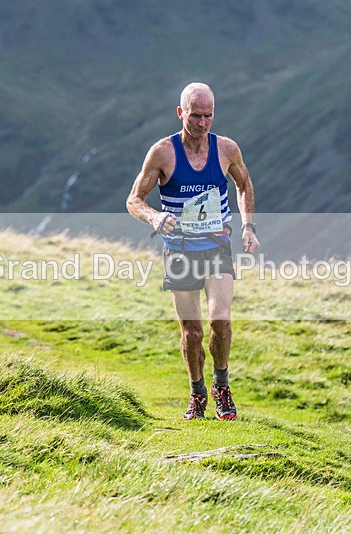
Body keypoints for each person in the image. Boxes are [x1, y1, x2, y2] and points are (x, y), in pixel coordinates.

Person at [126, 82, 259, 420]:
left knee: (221, 320)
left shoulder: (227, 149)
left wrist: (248, 227)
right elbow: (133, 200)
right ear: (180, 113)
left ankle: (222, 384)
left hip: (216, 247)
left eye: (208, 115)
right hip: (180, 251)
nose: (202, 123)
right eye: (195, 116)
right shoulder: (162, 153)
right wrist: (155, 216)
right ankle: (197, 391)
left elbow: (244, 184)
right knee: (193, 332)